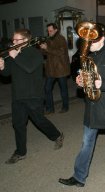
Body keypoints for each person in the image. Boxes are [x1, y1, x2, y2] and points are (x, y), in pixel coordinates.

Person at [58, 23, 105, 187]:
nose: (89, 42)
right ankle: (79, 176)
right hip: (92, 107)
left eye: (93, 39)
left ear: (103, 38)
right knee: (86, 143)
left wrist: (103, 84)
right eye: (87, 39)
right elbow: (87, 78)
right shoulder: (88, 57)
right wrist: (81, 81)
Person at [0, 29, 64, 164]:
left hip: (33, 95)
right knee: (18, 124)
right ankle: (20, 152)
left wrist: (15, 56)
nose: (13, 42)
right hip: (18, 95)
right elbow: (7, 74)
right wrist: (2, 67)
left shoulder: (35, 54)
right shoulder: (14, 54)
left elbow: (29, 68)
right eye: (13, 40)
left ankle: (57, 135)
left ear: (26, 41)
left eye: (17, 40)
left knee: (39, 121)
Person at [40, 23, 70, 114]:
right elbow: (45, 53)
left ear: (56, 30)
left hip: (61, 68)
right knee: (47, 88)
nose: (49, 33)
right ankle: (50, 108)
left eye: (51, 31)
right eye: (48, 31)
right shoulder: (48, 39)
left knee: (63, 88)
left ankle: (65, 106)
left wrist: (47, 48)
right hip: (51, 68)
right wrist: (42, 48)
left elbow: (61, 52)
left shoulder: (61, 39)